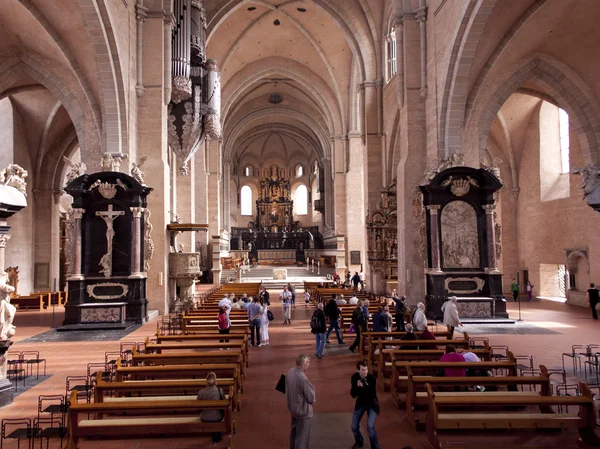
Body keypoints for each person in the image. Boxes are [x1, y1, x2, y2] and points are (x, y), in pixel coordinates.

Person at [286, 354, 316, 449]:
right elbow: (311, 398)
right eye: (307, 362)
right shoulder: (303, 378)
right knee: (302, 438)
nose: (309, 364)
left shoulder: (290, 371)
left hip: (293, 408)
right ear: (302, 365)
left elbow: (285, 386)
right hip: (303, 412)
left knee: (294, 434)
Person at [350, 360, 380, 449]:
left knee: (370, 426)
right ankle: (359, 441)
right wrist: (357, 387)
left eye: (366, 369)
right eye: (363, 370)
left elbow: (372, 394)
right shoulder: (354, 377)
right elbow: (353, 394)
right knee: (354, 426)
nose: (365, 372)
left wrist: (364, 386)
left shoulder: (372, 378)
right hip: (361, 403)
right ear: (358, 370)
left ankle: (375, 447)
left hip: (372, 404)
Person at [197, 372, 226, 445]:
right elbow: (225, 403)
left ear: (206, 382)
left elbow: (197, 406)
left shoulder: (201, 392)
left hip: (204, 417)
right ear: (215, 381)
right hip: (217, 417)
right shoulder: (220, 391)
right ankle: (216, 431)